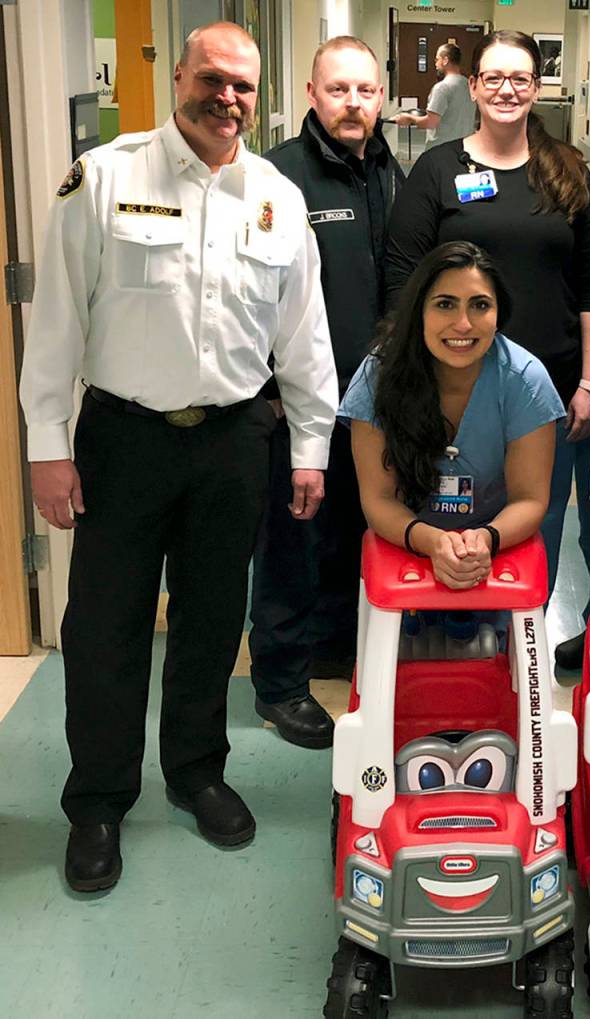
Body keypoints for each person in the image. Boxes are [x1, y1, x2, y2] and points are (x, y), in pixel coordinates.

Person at [18, 22, 339, 893]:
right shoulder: (107, 177)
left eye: (242, 85)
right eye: (211, 79)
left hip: (235, 441)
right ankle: (97, 800)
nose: (226, 98)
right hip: (123, 440)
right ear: (179, 79)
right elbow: (56, 325)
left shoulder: (274, 196)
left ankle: (196, 769)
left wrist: (310, 447)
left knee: (208, 620)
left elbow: (303, 337)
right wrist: (47, 448)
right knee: (105, 626)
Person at [384, 30, 590, 658]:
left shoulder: (568, 173)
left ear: (536, 88)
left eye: (521, 78)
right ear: (476, 86)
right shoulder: (438, 169)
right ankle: (437, 660)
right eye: (494, 78)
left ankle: (518, 666)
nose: (507, 89)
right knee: (443, 527)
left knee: (530, 527)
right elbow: (404, 278)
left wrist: (589, 383)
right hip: (446, 394)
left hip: (549, 398)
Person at [249, 36, 404, 750]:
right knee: (293, 540)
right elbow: (248, 293)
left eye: (366, 91)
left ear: (381, 97)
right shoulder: (275, 177)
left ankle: (335, 650)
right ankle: (279, 681)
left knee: (354, 528)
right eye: (339, 89)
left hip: (373, 404)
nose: (353, 103)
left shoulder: (387, 170)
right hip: (298, 402)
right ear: (312, 93)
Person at [342, 241, 563, 583]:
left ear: (498, 314)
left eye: (480, 305)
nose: (463, 324)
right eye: (445, 304)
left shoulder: (525, 380)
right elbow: (378, 499)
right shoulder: (378, 375)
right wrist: (432, 542)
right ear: (419, 310)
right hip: (407, 535)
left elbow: (530, 500)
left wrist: (484, 540)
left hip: (494, 540)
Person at [395, 43, 476, 150]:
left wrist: (409, 118)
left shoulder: (442, 88)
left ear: (445, 60)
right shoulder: (469, 85)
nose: (435, 64)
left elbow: (431, 122)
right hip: (465, 149)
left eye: (437, 59)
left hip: (441, 151)